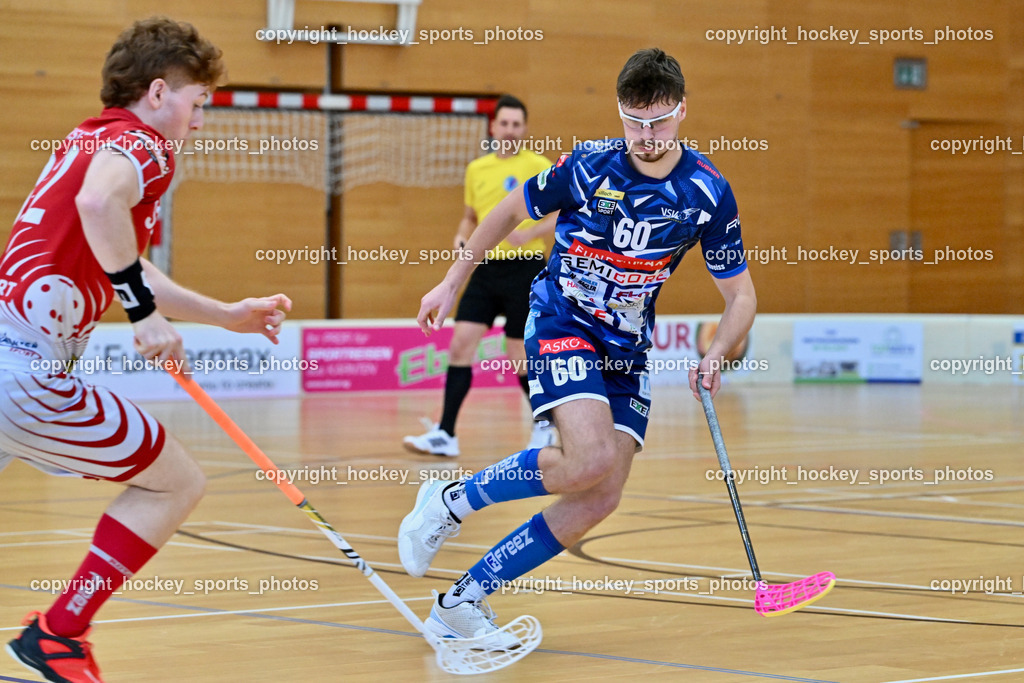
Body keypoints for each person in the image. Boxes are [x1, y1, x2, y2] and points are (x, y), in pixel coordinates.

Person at [397, 48, 755, 644]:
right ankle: (450, 500)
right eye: (634, 121)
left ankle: (463, 601)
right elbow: (506, 212)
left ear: (682, 110)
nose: (646, 136)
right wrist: (451, 280)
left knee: (602, 493)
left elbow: (740, 296)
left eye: (659, 122)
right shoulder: (589, 166)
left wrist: (717, 352)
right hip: (562, 318)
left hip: (626, 348)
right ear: (619, 114)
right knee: (587, 459)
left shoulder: (707, 193)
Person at [2, 18, 291, 683]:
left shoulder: (89, 136)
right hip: (27, 374)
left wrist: (226, 316)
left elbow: (120, 252)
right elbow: (99, 202)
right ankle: (58, 632)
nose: (198, 119)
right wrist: (141, 312)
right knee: (178, 481)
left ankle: (57, 634)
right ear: (159, 92)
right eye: (197, 103)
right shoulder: (143, 145)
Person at [403, 95, 559, 457]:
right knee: (459, 345)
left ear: (525, 128)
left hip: (526, 270)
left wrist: (533, 232)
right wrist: (461, 235)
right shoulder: (477, 169)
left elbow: (562, 214)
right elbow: (470, 218)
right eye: (504, 124)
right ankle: (446, 433)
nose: (510, 130)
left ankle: (544, 425)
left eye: (516, 125)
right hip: (486, 269)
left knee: (518, 352)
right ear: (493, 127)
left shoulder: (539, 165)